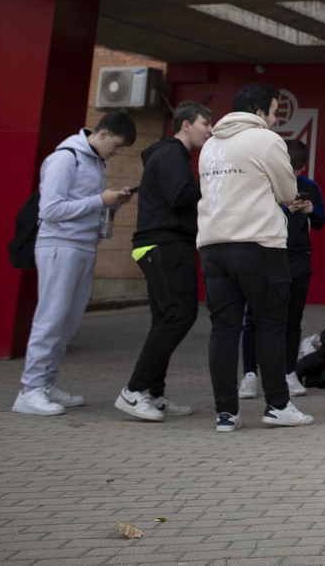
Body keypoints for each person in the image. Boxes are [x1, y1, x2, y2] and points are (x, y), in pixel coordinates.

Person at [197, 83, 314, 431]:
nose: (276, 119)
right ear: (260, 112)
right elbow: (287, 190)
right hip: (259, 245)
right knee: (270, 325)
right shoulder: (266, 140)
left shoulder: (210, 144)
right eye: (275, 111)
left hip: (213, 246)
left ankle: (226, 413)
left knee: (224, 329)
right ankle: (277, 405)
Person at [12, 111, 137, 416]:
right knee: (51, 318)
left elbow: (78, 204)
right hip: (59, 245)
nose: (117, 152)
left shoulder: (96, 161)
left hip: (82, 245)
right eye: (117, 145)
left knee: (66, 322)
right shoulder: (66, 158)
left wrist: (111, 203)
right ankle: (29, 390)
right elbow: (51, 209)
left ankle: (46, 383)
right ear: (103, 134)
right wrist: (99, 201)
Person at [116, 102, 212, 422]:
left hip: (161, 244)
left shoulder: (171, 155)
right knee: (178, 315)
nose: (209, 130)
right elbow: (179, 196)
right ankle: (132, 391)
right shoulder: (171, 154)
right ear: (186, 125)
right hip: (164, 245)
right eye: (205, 123)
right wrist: (213, 181)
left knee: (165, 319)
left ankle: (152, 393)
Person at [240, 139, 324, 400]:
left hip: (298, 256)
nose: (295, 175)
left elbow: (322, 222)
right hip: (266, 253)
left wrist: (311, 209)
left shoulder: (310, 187)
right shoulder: (265, 184)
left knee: (293, 317)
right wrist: (282, 207)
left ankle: (289, 372)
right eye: (291, 170)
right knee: (254, 316)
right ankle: (249, 374)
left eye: (299, 170)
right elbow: (251, 214)